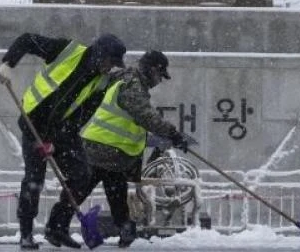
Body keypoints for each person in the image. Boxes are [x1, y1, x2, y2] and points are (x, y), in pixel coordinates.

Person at [43, 49, 192, 249]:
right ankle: (62, 228)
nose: (159, 81)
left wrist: (170, 136)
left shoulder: (125, 80)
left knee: (105, 191)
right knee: (87, 189)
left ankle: (64, 227)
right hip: (103, 148)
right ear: (151, 69)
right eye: (159, 75)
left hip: (110, 151)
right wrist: (174, 134)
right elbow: (146, 116)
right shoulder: (132, 85)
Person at [0, 33, 128, 250]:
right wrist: (9, 63)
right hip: (34, 123)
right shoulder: (68, 50)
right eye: (108, 62)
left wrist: (55, 141)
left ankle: (57, 227)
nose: (109, 68)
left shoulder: (102, 81)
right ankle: (26, 233)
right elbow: (28, 39)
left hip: (63, 131)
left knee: (82, 175)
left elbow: (84, 114)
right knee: (34, 180)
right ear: (99, 54)